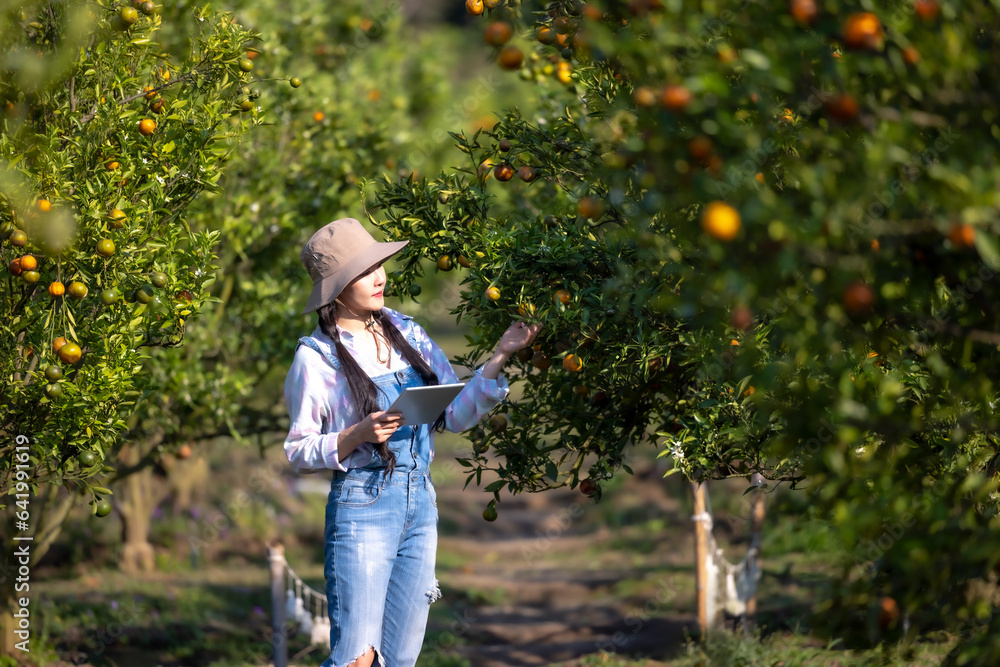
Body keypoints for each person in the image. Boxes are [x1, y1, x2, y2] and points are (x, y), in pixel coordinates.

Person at [282, 218, 540, 667]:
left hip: (419, 502)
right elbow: (298, 450)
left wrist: (499, 356)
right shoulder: (316, 357)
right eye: (364, 272)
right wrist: (355, 435)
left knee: (399, 659)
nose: (380, 277)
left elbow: (455, 414)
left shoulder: (407, 332)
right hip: (362, 507)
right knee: (356, 660)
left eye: (379, 265)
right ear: (337, 289)